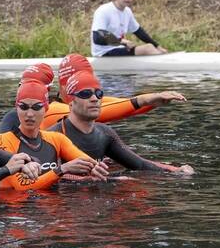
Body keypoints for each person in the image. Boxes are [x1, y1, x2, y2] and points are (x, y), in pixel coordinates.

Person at [48, 70, 195, 175]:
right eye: (86, 94)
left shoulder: (104, 133)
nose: (94, 99)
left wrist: (175, 170)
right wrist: (112, 179)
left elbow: (139, 164)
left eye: (98, 94)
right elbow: (49, 177)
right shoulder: (53, 136)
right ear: (71, 103)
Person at [0, 53, 184, 133]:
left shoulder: (75, 105)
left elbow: (120, 105)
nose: (93, 98)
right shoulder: (52, 110)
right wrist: (144, 100)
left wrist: (153, 101)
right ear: (65, 86)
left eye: (93, 90)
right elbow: (108, 111)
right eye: (84, 90)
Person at [0, 80, 109, 189]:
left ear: (46, 109)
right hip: (16, 204)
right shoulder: (1, 140)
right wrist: (61, 170)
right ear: (17, 108)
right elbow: (21, 186)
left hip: (54, 204)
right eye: (23, 107)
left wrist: (97, 170)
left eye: (37, 107)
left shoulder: (56, 139)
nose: (30, 114)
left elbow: (87, 163)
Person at [90, 0, 168, 57]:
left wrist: (158, 46)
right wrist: (120, 41)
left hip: (119, 49)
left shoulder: (127, 11)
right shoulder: (104, 10)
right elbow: (97, 38)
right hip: (103, 53)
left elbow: (138, 31)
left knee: (154, 48)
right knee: (148, 48)